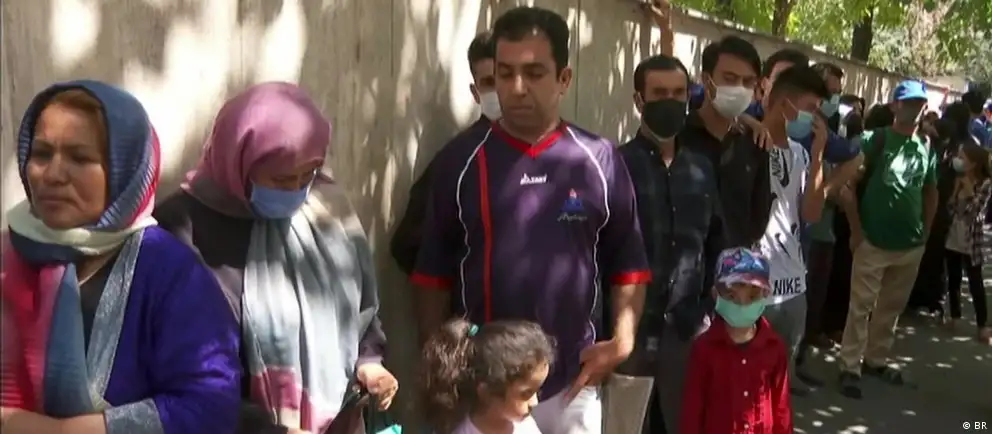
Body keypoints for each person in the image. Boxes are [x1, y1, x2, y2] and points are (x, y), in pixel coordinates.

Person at [411, 7, 651, 433]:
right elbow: (432, 275)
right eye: (505, 74)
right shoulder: (459, 162)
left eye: (534, 73)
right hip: (486, 392)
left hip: (573, 385)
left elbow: (628, 261)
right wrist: (442, 367)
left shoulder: (599, 160)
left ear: (564, 78)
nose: (517, 88)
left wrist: (622, 341)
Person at [153, 82, 396, 433]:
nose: (297, 190)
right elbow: (180, 363)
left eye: (308, 173)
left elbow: (358, 303)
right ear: (239, 161)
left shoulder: (326, 207)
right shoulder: (180, 229)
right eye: (282, 179)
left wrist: (369, 362)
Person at [0, 80, 240, 433]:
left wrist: (60, 430)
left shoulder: (170, 273)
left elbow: (209, 407)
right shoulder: (8, 256)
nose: (53, 174)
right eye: (42, 154)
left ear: (125, 171)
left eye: (80, 158)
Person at [616, 54, 723, 434]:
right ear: (639, 100)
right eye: (659, 93)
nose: (671, 101)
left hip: (686, 331)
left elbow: (716, 242)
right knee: (627, 427)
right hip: (630, 336)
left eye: (679, 93)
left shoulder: (701, 168)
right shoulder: (615, 166)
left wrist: (707, 309)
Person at [838, 80, 939, 399]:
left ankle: (876, 359)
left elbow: (931, 192)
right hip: (873, 242)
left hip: (910, 245)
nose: (915, 109)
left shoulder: (925, 146)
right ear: (895, 105)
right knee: (860, 307)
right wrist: (856, 231)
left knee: (890, 308)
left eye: (920, 103)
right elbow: (847, 185)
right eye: (909, 102)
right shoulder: (875, 140)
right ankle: (850, 366)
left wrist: (926, 232)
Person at [755, 65, 842, 397]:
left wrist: (818, 156)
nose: (815, 118)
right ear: (785, 103)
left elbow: (811, 213)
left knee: (781, 373)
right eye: (810, 108)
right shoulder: (750, 143)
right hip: (755, 285)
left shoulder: (800, 153)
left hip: (793, 283)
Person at [392, 31, 500, 275]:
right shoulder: (457, 160)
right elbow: (408, 246)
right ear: (476, 93)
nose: (500, 90)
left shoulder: (564, 153)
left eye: (506, 77)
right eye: (489, 83)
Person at [679, 247, 791, 434]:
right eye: (732, 296)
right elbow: (692, 409)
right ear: (716, 295)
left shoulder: (775, 347)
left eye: (752, 297)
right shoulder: (703, 349)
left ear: (765, 295)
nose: (742, 304)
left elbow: (781, 409)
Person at [679, 35, 772, 248]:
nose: (739, 88)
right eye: (729, 79)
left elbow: (758, 222)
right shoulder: (678, 137)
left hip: (735, 264)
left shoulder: (755, 142)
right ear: (706, 79)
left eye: (748, 82)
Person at [421, 319, 554, 434]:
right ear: (486, 392)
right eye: (525, 394)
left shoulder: (524, 424)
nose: (535, 402)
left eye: (536, 391)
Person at [944, 141, 992, 344]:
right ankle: (954, 316)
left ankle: (983, 326)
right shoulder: (958, 180)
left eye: (962, 157)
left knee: (975, 282)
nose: (958, 160)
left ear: (973, 163)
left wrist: (967, 191)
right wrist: (956, 193)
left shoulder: (986, 184)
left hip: (972, 240)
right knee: (953, 278)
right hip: (954, 236)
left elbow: (975, 213)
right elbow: (951, 209)